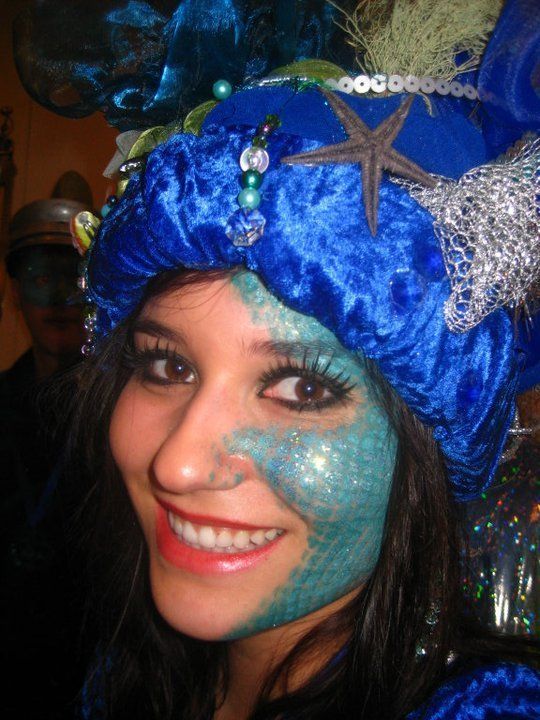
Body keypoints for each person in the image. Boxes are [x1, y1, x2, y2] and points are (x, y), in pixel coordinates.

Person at [69, 7, 539, 720]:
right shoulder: (121, 682)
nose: (179, 465)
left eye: (301, 386)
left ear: (429, 449)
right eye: (166, 367)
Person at [0, 198, 89, 719]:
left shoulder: (128, 415)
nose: (59, 299)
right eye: (39, 279)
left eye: (74, 279)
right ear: (16, 292)